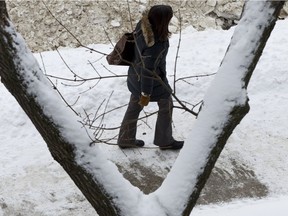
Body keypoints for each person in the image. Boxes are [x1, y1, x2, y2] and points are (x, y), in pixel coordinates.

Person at [117, 5, 184, 150]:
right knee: (166, 103)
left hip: (135, 75)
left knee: (134, 107)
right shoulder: (156, 44)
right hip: (152, 82)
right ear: (164, 21)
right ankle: (164, 140)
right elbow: (148, 71)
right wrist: (145, 94)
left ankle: (125, 138)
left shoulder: (142, 26)